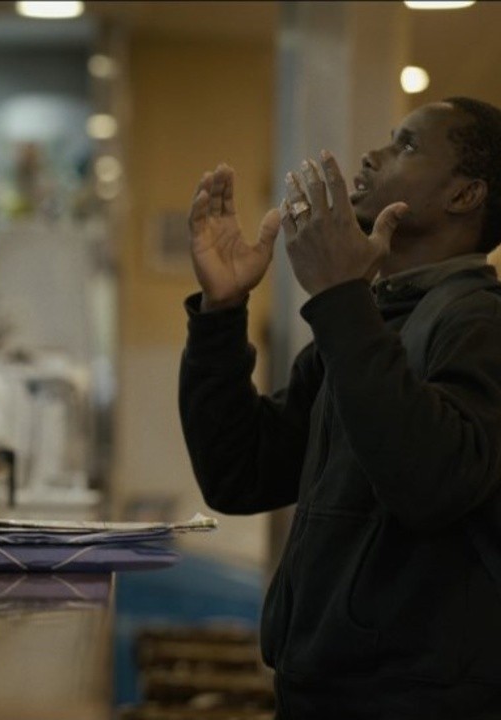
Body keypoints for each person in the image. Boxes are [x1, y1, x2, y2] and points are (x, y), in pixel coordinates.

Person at [180, 97, 501, 717]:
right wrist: (221, 312)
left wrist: (341, 298)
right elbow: (239, 472)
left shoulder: (479, 324)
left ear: (464, 195)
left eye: (407, 146)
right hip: (323, 694)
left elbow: (432, 483)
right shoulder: (368, 321)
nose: (373, 155)